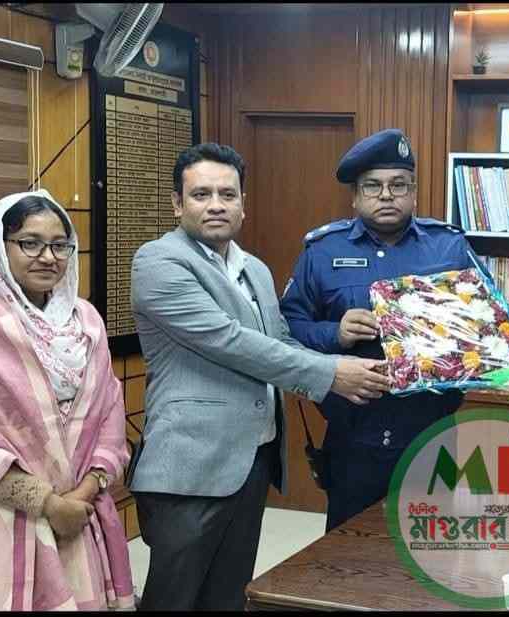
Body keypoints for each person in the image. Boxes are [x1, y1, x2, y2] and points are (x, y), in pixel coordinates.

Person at [128, 142, 390, 610]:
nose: (216, 205)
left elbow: (281, 341)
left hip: (252, 458)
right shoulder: (158, 262)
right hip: (190, 466)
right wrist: (331, 373)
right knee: (174, 598)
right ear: (177, 204)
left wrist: (354, 367)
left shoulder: (256, 270)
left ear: (243, 205)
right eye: (201, 194)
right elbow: (230, 342)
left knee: (230, 597)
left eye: (227, 194)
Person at [280, 128, 486, 531]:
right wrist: (335, 334)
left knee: (428, 550)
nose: (387, 195)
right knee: (349, 551)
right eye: (373, 186)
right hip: (353, 437)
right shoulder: (323, 251)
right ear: (355, 197)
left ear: (414, 193)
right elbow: (287, 329)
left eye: (399, 185)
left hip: (431, 431)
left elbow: (488, 325)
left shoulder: (449, 247)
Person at [0, 190, 134, 610]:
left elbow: (110, 410)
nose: (48, 257)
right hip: (0, 519)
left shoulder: (86, 322)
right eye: (29, 243)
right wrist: (47, 504)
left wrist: (85, 491)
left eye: (60, 245)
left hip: (80, 513)